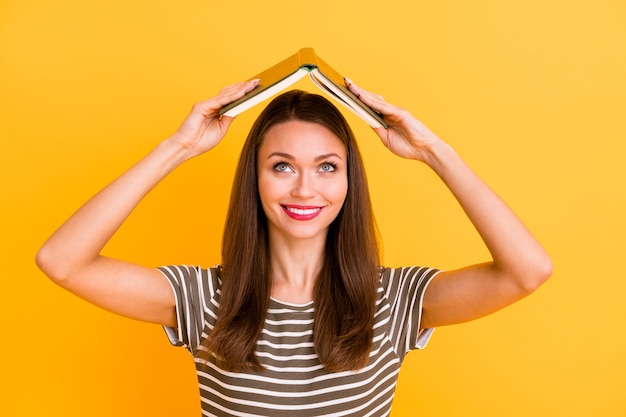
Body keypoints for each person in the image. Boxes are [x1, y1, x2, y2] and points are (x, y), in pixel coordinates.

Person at [36, 78, 552, 416]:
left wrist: (434, 152)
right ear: (254, 180)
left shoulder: (392, 301)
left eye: (327, 167)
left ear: (349, 181)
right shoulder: (203, 299)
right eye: (282, 166)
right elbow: (61, 261)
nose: (305, 189)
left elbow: (527, 271)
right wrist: (180, 147)